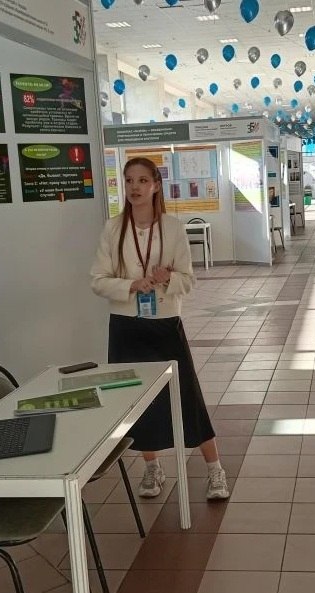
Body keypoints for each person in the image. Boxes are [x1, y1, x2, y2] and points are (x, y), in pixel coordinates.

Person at [90, 157, 231, 501]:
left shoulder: (173, 228)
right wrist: (131, 285)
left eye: (142, 180)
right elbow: (98, 280)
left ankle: (215, 469)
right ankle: (152, 467)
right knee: (136, 402)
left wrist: (167, 278)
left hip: (164, 324)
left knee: (187, 397)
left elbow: (188, 280)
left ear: (155, 185)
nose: (134, 188)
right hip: (125, 326)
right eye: (129, 181)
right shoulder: (113, 228)